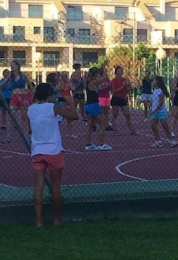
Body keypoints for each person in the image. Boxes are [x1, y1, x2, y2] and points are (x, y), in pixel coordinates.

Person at [27, 82, 78, 227]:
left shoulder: (31, 109)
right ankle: (57, 218)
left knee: (38, 186)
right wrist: (70, 103)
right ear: (49, 95)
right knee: (56, 186)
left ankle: (38, 220)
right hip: (53, 150)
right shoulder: (52, 107)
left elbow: (35, 126)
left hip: (37, 150)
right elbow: (74, 116)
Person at [84, 67, 111, 150]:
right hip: (94, 105)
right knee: (102, 123)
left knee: (90, 125)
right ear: (95, 75)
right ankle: (101, 144)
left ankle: (88, 144)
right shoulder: (93, 82)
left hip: (88, 105)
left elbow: (99, 88)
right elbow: (105, 78)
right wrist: (104, 69)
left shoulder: (90, 83)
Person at [150, 76, 178, 148]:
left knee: (165, 126)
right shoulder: (154, 90)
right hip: (154, 111)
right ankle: (158, 141)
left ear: (157, 82)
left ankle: (171, 140)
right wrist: (152, 108)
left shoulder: (160, 91)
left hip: (161, 111)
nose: (153, 82)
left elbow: (161, 102)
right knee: (153, 126)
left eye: (154, 80)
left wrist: (156, 109)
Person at [110, 65, 136, 134]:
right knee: (115, 114)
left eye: (121, 71)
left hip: (123, 98)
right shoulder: (114, 80)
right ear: (116, 72)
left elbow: (128, 90)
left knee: (127, 114)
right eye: (119, 71)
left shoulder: (124, 80)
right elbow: (114, 91)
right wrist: (123, 86)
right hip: (116, 98)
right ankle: (115, 129)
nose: (120, 72)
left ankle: (131, 129)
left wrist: (128, 85)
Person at [8, 60, 34, 126]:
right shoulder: (10, 76)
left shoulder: (23, 75)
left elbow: (30, 84)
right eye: (11, 65)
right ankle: (10, 131)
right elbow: (3, 83)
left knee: (24, 116)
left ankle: (25, 131)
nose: (12, 66)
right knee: (12, 114)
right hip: (14, 96)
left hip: (23, 95)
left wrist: (33, 94)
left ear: (17, 66)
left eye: (13, 64)